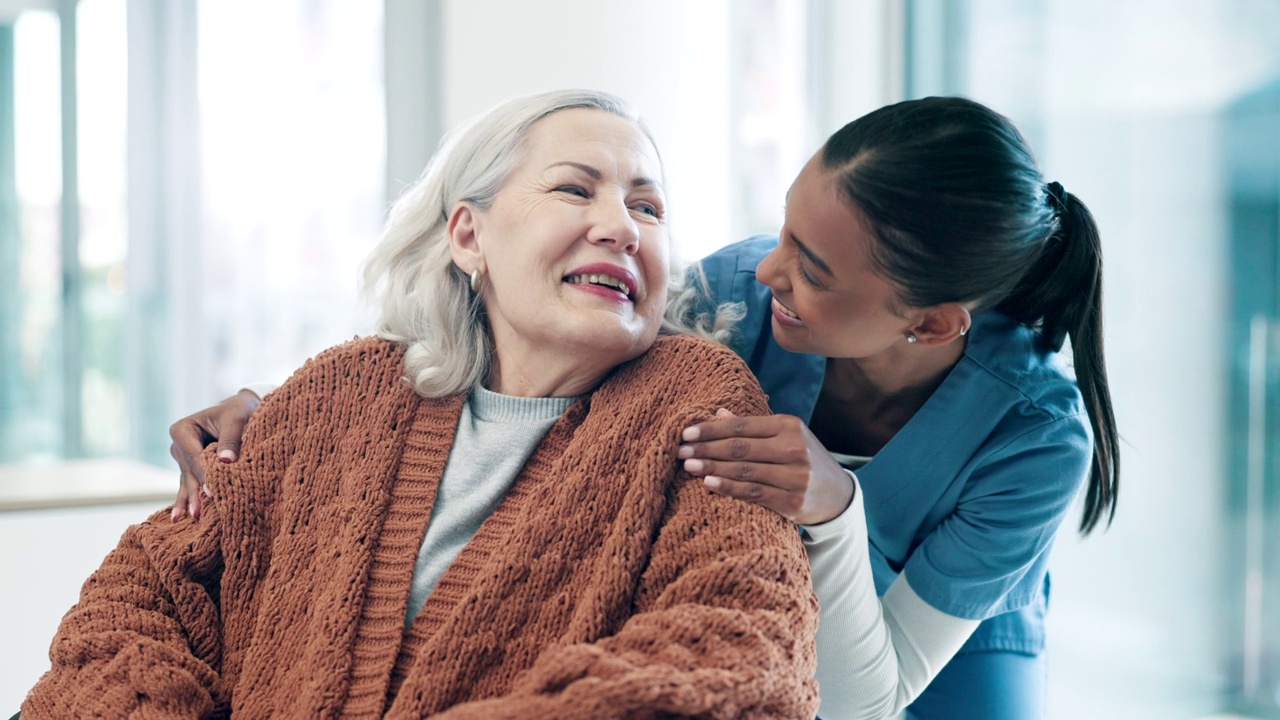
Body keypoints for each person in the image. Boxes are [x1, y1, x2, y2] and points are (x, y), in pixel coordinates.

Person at [168, 96, 1119, 720]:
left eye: (814, 271)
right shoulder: (738, 295)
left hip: (933, 654)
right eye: (782, 230)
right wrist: (286, 412)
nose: (769, 267)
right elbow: (504, 333)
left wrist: (833, 513)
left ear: (935, 320)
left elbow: (865, 700)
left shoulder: (1031, 440)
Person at [21, 90, 821, 719]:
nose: (620, 226)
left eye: (648, 208)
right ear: (469, 237)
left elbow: (741, 653)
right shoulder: (343, 395)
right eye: (576, 189)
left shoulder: (694, 405)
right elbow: (142, 597)